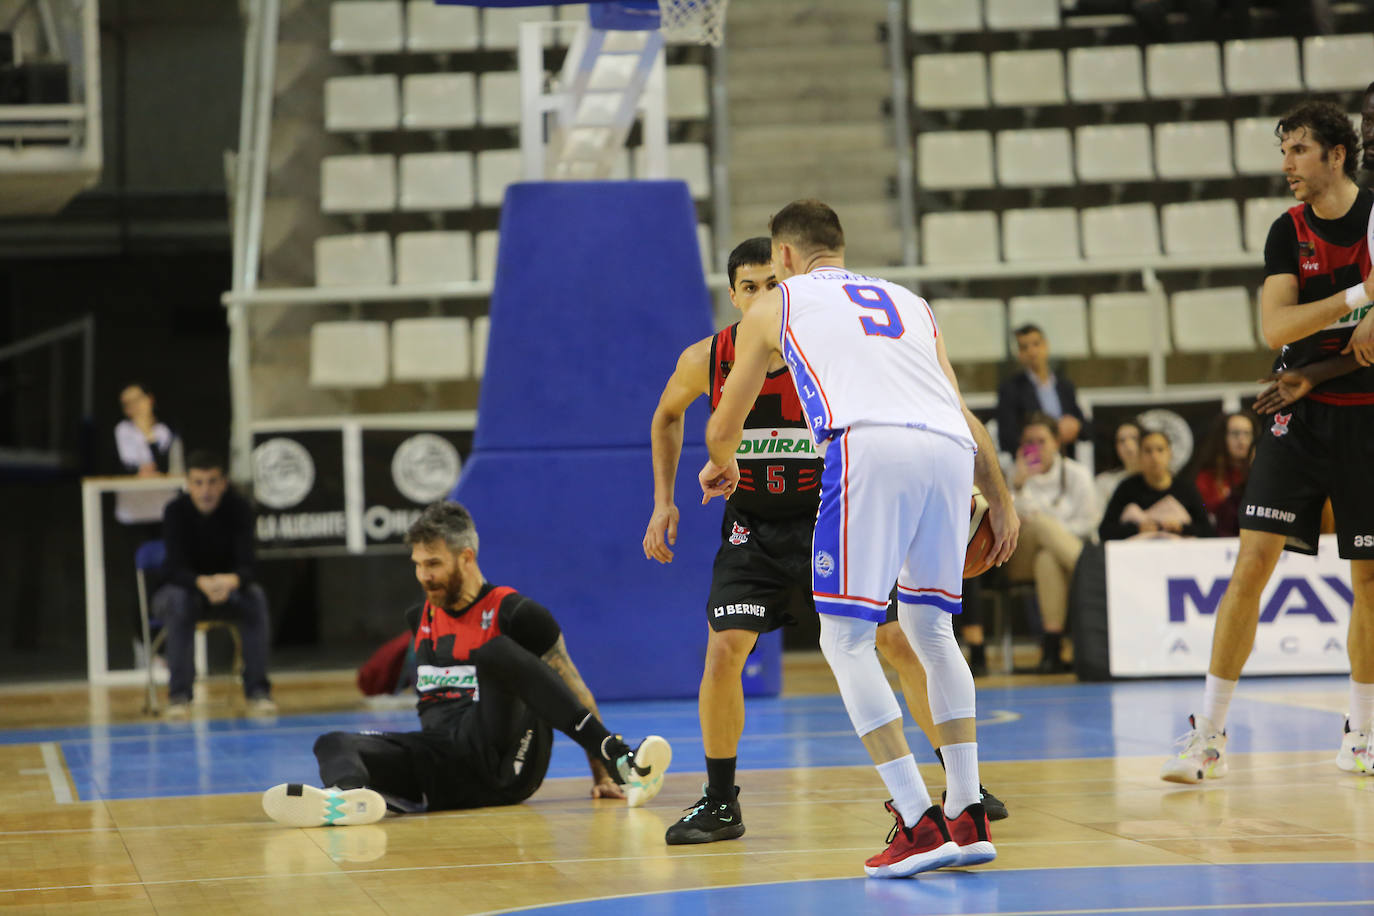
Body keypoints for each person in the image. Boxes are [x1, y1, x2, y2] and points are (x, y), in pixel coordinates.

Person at [644, 238, 1007, 847]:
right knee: (724, 650)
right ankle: (719, 799)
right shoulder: (710, 358)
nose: (766, 296)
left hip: (831, 514)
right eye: (751, 288)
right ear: (734, 297)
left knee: (898, 640)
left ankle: (956, 783)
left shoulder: (836, 350)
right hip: (753, 525)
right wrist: (663, 501)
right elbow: (666, 417)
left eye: (772, 283)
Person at [1161, 99, 1374, 783]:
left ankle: (1362, 736)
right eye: (1284, 151)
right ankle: (1210, 736)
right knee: (1251, 564)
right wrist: (1357, 302)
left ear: (1336, 154)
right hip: (1298, 415)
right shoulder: (1287, 231)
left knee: (1368, 581)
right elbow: (1276, 328)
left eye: (1299, 150)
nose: (1287, 164)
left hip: (1367, 417)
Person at [263, 501, 672, 827]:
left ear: (466, 557)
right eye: (418, 565)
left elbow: (573, 687)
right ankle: (345, 800)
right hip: (445, 763)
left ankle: (621, 761)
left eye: (434, 564)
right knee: (333, 741)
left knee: (494, 653)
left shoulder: (517, 612)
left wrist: (599, 775)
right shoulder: (418, 617)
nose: (423, 576)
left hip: (506, 760)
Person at [154, 450, 274, 717]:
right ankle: (179, 696)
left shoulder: (239, 509)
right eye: (198, 482)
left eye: (211, 482)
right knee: (178, 601)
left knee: (255, 597)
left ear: (223, 483)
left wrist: (232, 580)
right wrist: (200, 582)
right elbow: (173, 568)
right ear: (188, 484)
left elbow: (250, 564)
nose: (205, 490)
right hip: (184, 590)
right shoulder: (175, 511)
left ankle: (258, 691)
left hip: (228, 589)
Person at [1006, 413, 1098, 673]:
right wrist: (1019, 487)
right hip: (1018, 554)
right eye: (1028, 442)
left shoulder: (1077, 475)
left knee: (1047, 558)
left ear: (1057, 442)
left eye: (1041, 440)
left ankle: (1052, 648)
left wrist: (1055, 532)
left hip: (1058, 555)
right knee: (1038, 525)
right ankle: (1090, 573)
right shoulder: (1015, 475)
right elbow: (1012, 522)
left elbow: (1088, 523)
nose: (1035, 447)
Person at [1099, 430, 1213, 542]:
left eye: (1160, 450)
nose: (1154, 456)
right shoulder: (1126, 488)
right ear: (1139, 456)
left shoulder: (1186, 488)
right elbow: (1105, 531)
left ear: (1170, 454)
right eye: (1148, 451)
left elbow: (1207, 530)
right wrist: (1137, 529)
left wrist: (1181, 528)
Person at [995, 324, 1085, 459]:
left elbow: (1086, 428)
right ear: (1019, 354)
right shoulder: (1011, 389)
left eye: (1036, 344)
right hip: (1032, 464)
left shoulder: (1065, 386)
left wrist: (1076, 427)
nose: (1032, 352)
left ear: (1046, 346)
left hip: (1065, 463)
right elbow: (1007, 437)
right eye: (1024, 347)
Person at [1193, 412, 1257, 537]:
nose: (1241, 440)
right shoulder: (1206, 478)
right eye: (1235, 433)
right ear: (1222, 437)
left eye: (1247, 434)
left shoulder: (1261, 475)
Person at [1094, 419, 1143, 519]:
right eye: (1122, 441)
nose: (1129, 445)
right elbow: (1097, 520)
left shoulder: (1157, 479)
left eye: (1134, 438)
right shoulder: (1104, 481)